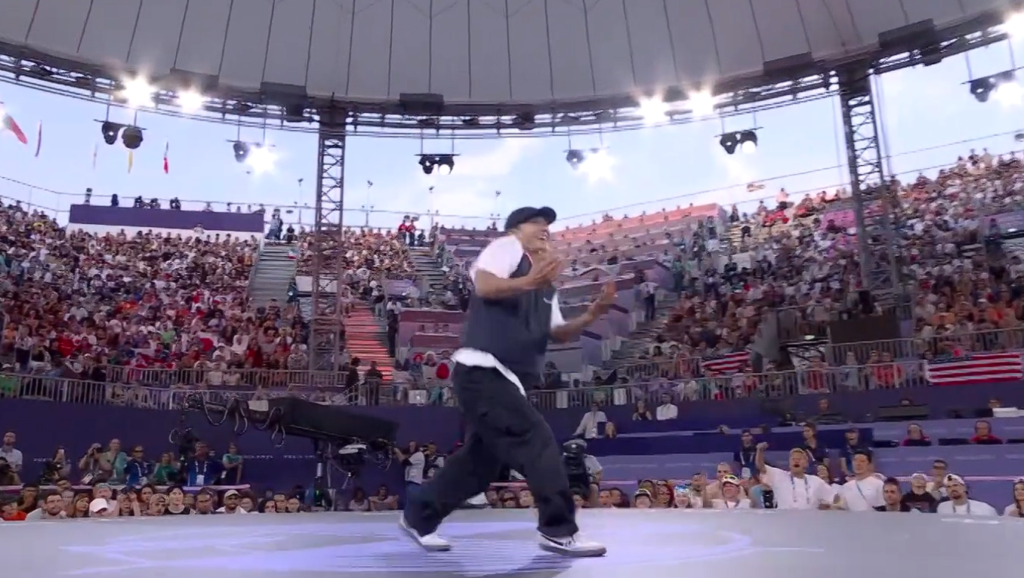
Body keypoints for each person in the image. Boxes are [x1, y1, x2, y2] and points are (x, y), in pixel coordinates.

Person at [401, 206, 612, 557]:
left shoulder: (546, 288)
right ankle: (558, 530)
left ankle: (419, 517)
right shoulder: (508, 247)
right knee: (537, 440)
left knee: (478, 465)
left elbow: (558, 332)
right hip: (484, 370)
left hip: (506, 380)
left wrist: (592, 314)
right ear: (516, 228)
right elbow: (484, 285)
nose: (545, 228)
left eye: (548, 225)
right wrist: (528, 281)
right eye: (536, 222)